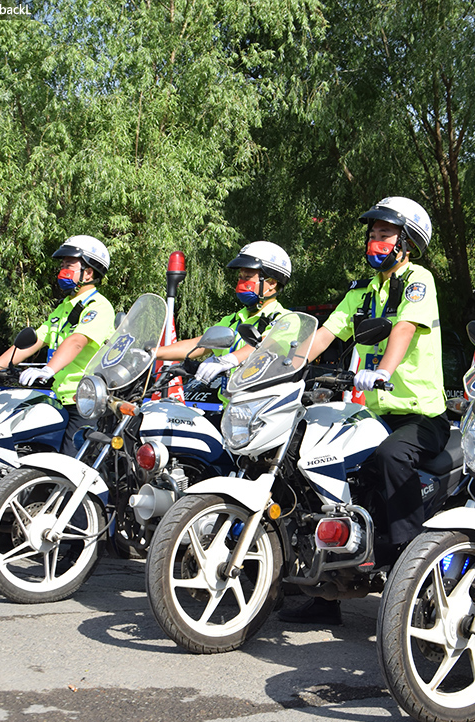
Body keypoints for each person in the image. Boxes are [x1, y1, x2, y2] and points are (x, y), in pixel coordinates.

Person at [277, 196, 447, 626]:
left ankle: (412, 568)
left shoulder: (417, 281)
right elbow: (328, 332)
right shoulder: (362, 291)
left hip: (420, 416)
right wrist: (286, 367)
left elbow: (405, 327)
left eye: (384, 234)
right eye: (372, 234)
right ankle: (327, 588)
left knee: (392, 456)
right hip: (373, 415)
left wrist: (384, 370)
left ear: (406, 241)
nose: (375, 240)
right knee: (319, 461)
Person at [0, 235, 116, 457]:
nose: (63, 270)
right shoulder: (63, 308)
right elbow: (33, 341)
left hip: (86, 404)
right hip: (61, 399)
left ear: (88, 272)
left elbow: (77, 341)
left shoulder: (99, 307)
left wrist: (48, 369)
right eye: (63, 265)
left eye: (69, 265)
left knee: (69, 469)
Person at [154, 241, 290, 394]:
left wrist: (228, 360)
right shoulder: (234, 320)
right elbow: (197, 345)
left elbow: (266, 345)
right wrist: (151, 352)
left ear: (271, 283)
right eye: (240, 277)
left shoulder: (286, 319)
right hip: (231, 408)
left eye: (247, 277)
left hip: (262, 410)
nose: (241, 282)